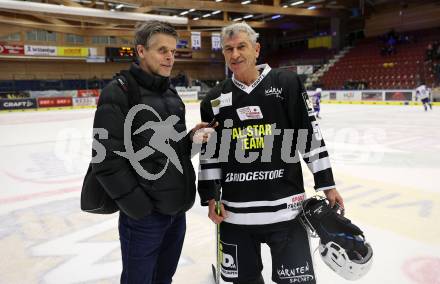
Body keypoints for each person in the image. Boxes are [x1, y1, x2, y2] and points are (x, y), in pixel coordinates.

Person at [197, 22, 344, 284]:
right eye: (228, 49)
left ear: (256, 49)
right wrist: (210, 197)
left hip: (287, 212)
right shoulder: (214, 99)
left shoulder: (286, 83)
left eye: (241, 47)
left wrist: (327, 184)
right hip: (235, 216)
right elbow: (211, 154)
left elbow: (309, 137)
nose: (235, 55)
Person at [92, 20, 214, 284]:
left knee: (163, 280)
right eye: (162, 50)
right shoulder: (119, 92)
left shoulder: (171, 95)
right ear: (141, 51)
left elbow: (174, 151)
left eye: (172, 51)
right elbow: (105, 161)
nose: (170, 57)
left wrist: (191, 137)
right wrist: (140, 209)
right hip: (144, 220)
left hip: (175, 213)